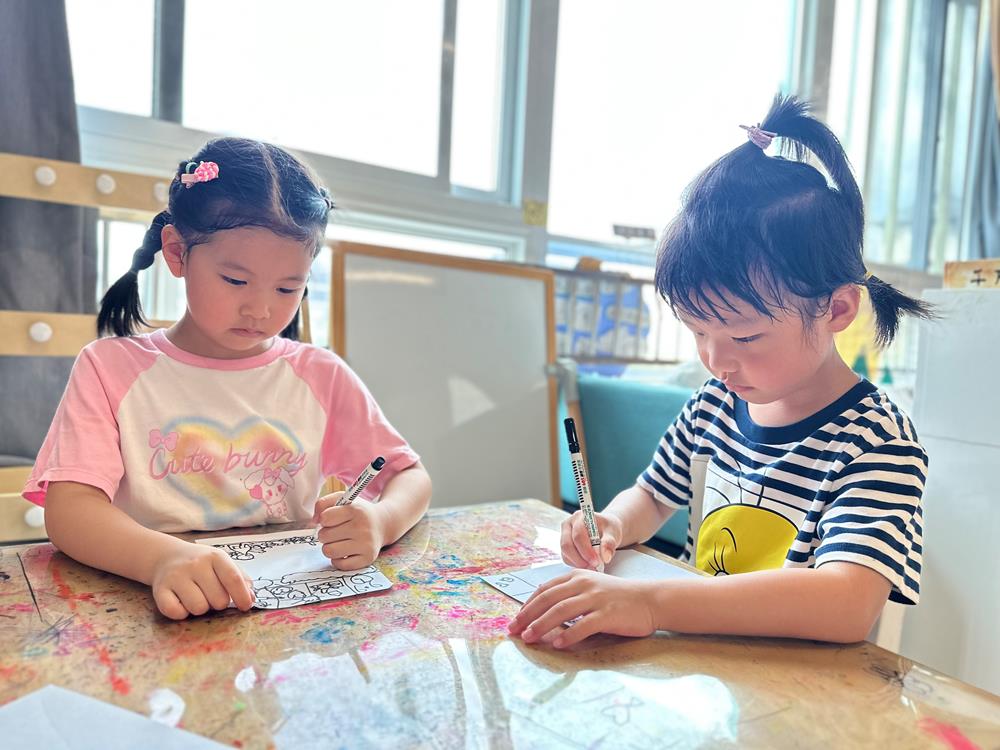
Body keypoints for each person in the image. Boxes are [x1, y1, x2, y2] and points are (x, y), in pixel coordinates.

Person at [510, 95, 931, 647]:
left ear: (837, 309)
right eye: (697, 331)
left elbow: (847, 602)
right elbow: (652, 496)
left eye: (745, 337)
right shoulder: (714, 403)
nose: (716, 360)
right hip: (707, 669)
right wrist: (611, 525)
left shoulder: (877, 442)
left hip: (802, 683)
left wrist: (651, 603)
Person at [24, 138, 432, 620]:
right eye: (236, 281)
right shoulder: (110, 368)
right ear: (177, 252)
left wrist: (380, 521)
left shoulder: (320, 375)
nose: (260, 309)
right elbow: (69, 511)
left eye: (288, 288)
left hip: (286, 620)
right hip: (147, 610)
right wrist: (161, 558)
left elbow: (410, 477)